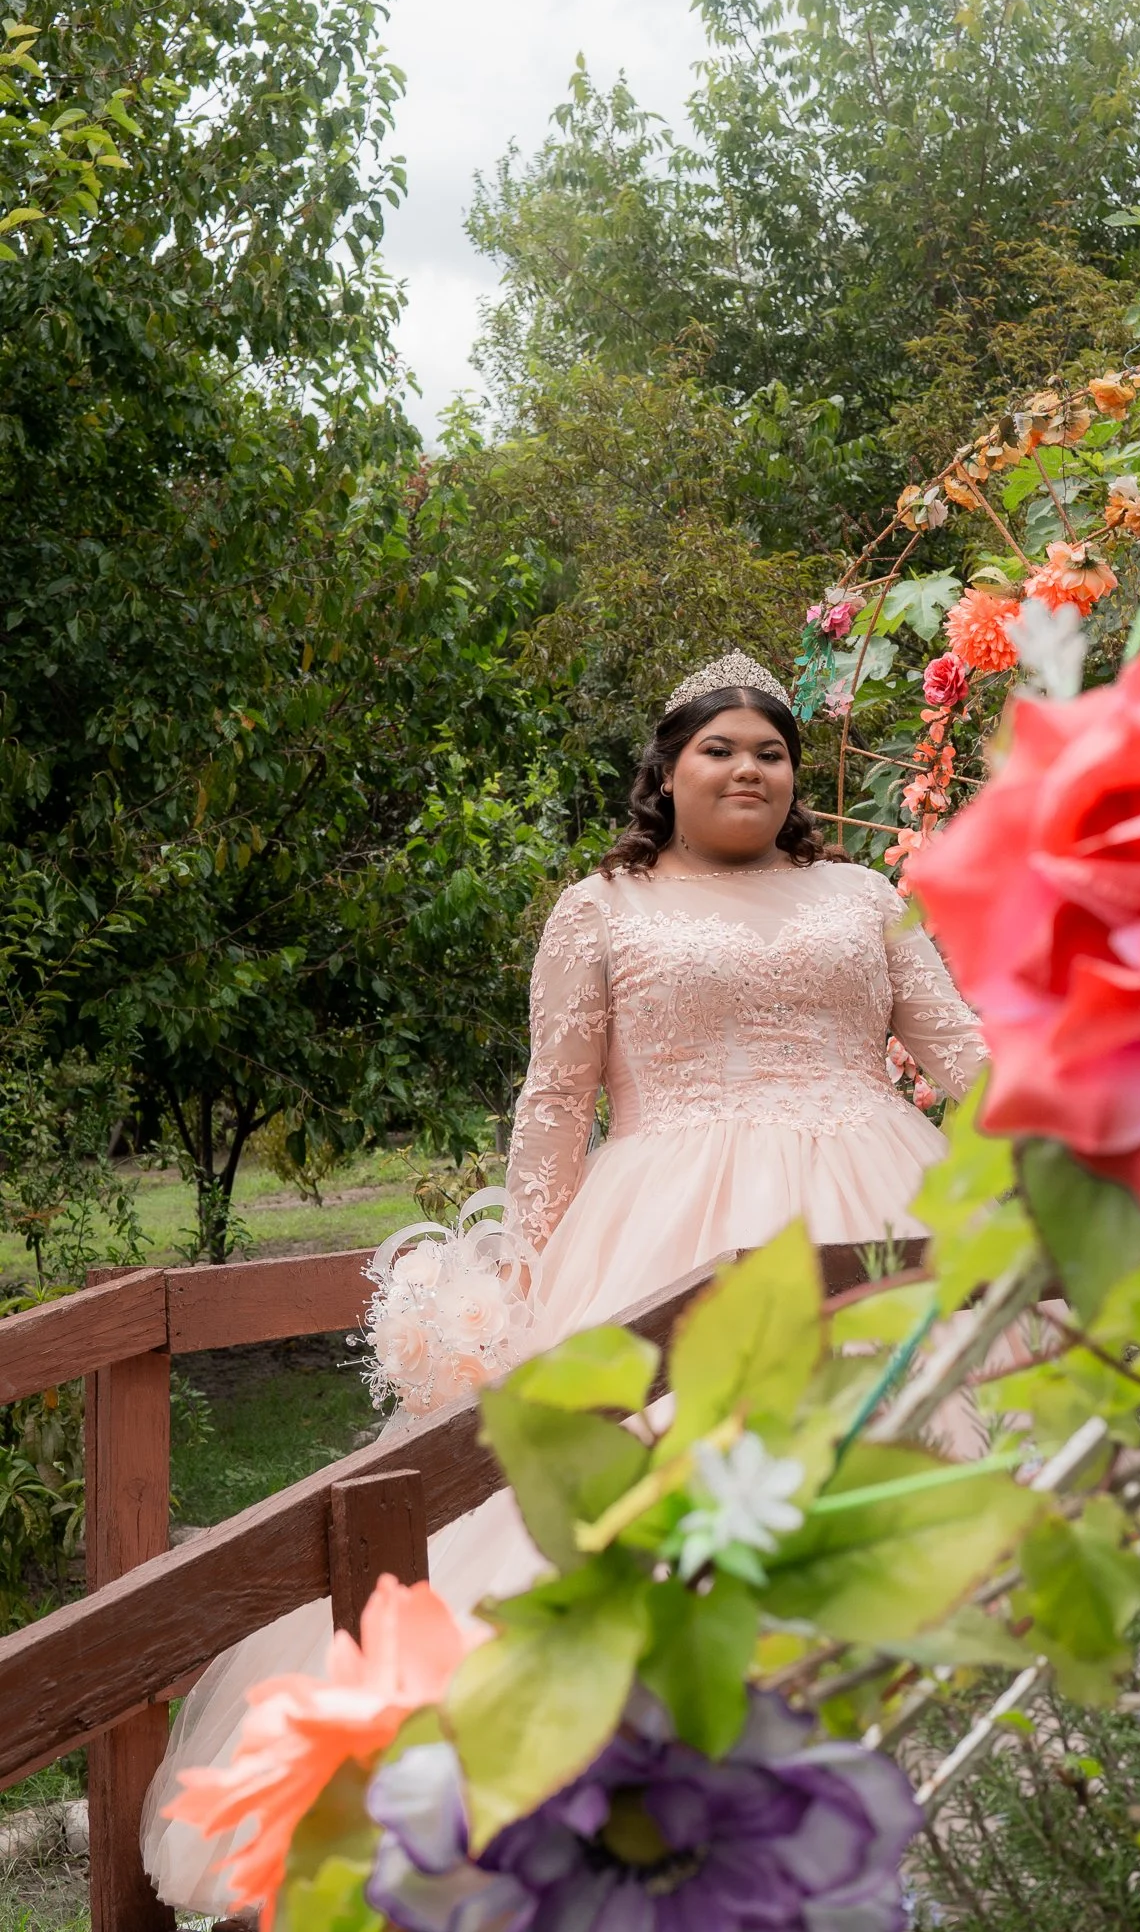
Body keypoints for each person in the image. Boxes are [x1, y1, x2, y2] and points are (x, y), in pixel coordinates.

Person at [142, 651, 986, 1912]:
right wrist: (520, 1285)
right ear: (666, 769)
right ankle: (629, 1797)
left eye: (770, 748)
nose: (747, 766)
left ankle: (939, 1783)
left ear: (796, 773)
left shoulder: (868, 894)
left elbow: (964, 1055)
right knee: (633, 1499)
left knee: (911, 1465)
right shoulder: (602, 906)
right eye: (719, 747)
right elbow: (554, 1104)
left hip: (877, 1213)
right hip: (664, 1232)